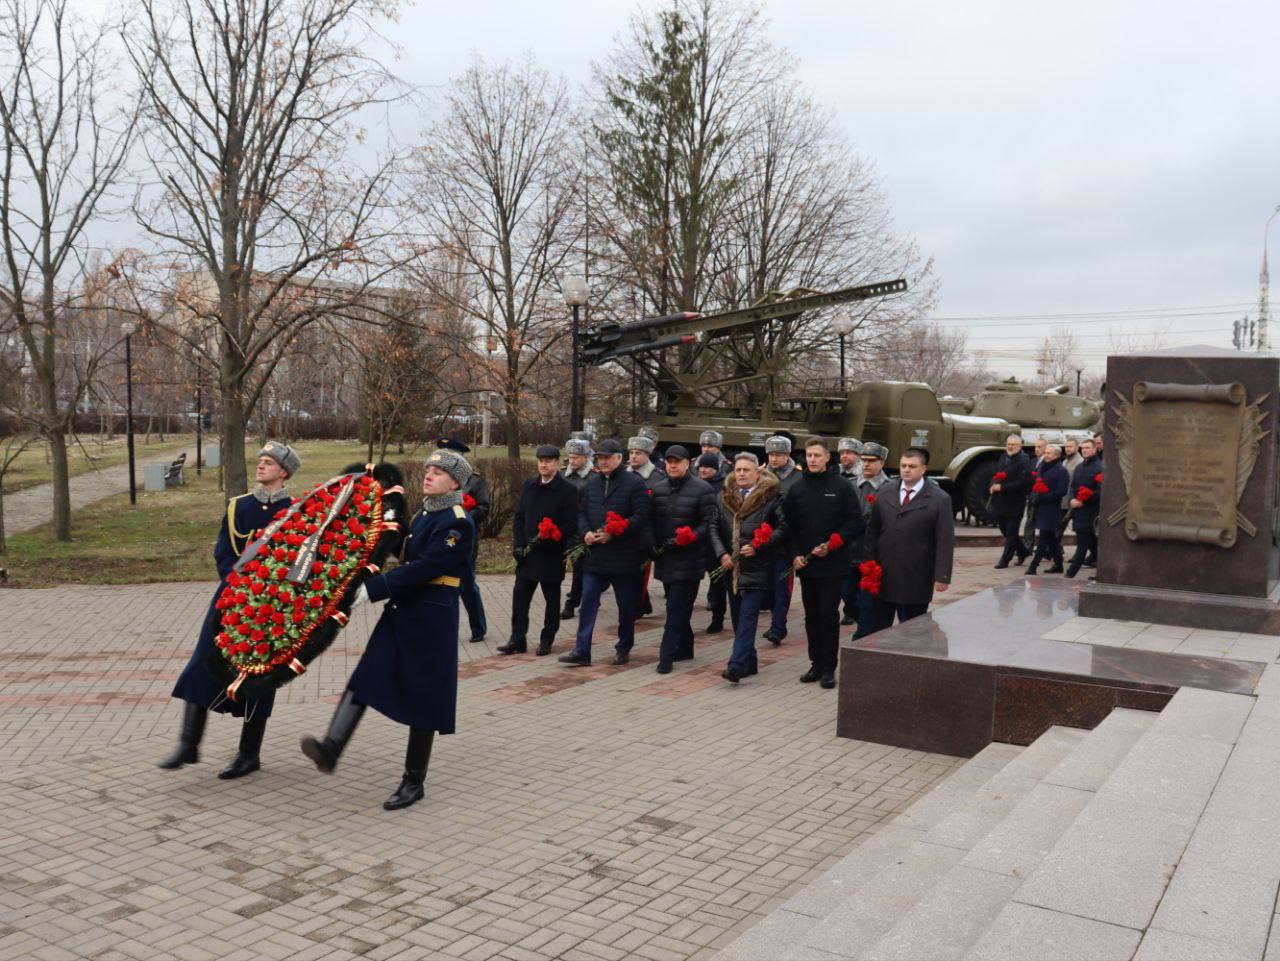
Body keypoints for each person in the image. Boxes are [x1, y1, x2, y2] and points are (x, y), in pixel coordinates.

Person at [300, 448, 474, 810]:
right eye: (428, 469)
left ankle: (414, 781)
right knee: (367, 675)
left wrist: (374, 588)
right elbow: (402, 551)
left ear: (455, 482)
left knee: (425, 697)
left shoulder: (457, 521)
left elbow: (427, 566)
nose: (428, 475)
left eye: (439, 472)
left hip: (431, 618)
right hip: (403, 610)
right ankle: (331, 748)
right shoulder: (427, 512)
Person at [160, 442, 299, 779]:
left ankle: (249, 754)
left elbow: (301, 561)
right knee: (201, 664)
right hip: (231, 600)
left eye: (269, 463)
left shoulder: (298, 512)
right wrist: (236, 584)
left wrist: (274, 593)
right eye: (260, 461)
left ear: (284, 472)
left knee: (259, 678)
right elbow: (223, 552)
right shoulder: (238, 507)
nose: (261, 466)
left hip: (270, 610)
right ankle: (189, 743)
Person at [559, 439, 652, 667]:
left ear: (619, 458)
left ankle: (623, 647)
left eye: (607, 457)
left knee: (625, 606)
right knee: (588, 601)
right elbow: (581, 513)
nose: (603, 461)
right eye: (600, 457)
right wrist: (586, 533)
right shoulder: (592, 483)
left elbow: (641, 517)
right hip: (595, 556)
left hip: (623, 557)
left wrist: (615, 532)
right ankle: (582, 650)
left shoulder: (634, 483)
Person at [784, 437, 864, 690]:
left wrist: (833, 544)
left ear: (828, 457)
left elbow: (855, 522)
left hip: (833, 563)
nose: (812, 460)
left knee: (828, 614)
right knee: (811, 616)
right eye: (809, 455)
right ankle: (815, 663)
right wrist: (795, 554)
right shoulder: (797, 488)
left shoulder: (841, 486)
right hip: (807, 565)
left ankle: (829, 667)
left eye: (817, 455)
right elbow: (789, 526)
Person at [710, 452, 785, 683]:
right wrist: (722, 553)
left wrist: (758, 546)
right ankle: (750, 662)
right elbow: (713, 526)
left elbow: (783, 528)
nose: (741, 474)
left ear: (757, 473)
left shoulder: (771, 498)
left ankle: (736, 665)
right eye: (738, 470)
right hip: (730, 569)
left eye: (746, 470)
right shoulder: (724, 497)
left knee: (747, 619)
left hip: (757, 569)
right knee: (737, 620)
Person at [498, 445, 579, 656]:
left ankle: (547, 639)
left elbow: (570, 524)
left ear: (557, 463)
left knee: (551, 600)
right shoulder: (529, 486)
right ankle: (517, 639)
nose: (544, 464)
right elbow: (519, 517)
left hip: (551, 554)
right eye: (541, 460)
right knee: (520, 599)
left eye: (549, 460)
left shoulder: (568, 490)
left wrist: (549, 537)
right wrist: (518, 545)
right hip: (528, 553)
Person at [865, 446, 955, 631]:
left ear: (923, 469)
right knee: (878, 630)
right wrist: (868, 563)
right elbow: (873, 530)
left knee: (913, 631)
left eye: (912, 466)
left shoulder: (939, 499)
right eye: (903, 465)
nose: (906, 470)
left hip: (916, 576)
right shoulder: (885, 492)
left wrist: (942, 575)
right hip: (884, 573)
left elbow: (945, 539)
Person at [651, 446, 717, 673]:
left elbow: (710, 523)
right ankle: (685, 648)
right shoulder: (658, 489)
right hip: (666, 559)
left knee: (675, 610)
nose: (672, 465)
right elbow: (652, 522)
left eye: (677, 461)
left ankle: (665, 657)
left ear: (688, 463)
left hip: (690, 560)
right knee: (676, 606)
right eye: (669, 461)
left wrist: (690, 537)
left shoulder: (702, 489)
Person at [436, 437, 489, 643]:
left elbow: (483, 507)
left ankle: (478, 627)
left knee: (467, 584)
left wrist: (463, 515)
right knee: (441, 583)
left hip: (464, 537)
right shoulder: (437, 477)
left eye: (450, 454)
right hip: (440, 537)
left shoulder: (474, 479)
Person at [762, 434, 801, 645]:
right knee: (766, 586)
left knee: (781, 587)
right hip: (762, 540)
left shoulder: (797, 478)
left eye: (778, 454)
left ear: (787, 455)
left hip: (786, 542)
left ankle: (778, 627)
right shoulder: (761, 474)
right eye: (770, 454)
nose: (774, 459)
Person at [852, 443, 890, 639]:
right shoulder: (850, 484)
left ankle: (864, 635)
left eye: (871, 461)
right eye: (863, 460)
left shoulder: (889, 489)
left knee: (868, 601)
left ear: (881, 462)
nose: (865, 464)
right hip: (850, 553)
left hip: (874, 556)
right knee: (850, 599)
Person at [627, 435, 666, 619]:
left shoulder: (657, 478)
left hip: (645, 534)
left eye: (638, 453)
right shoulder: (623, 474)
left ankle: (636, 606)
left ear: (647, 455)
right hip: (623, 532)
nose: (633, 456)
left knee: (640, 574)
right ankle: (642, 603)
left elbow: (661, 508)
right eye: (631, 452)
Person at [559, 437, 593, 620]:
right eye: (570, 457)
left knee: (579, 568)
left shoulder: (593, 477)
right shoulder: (563, 474)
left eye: (576, 458)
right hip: (563, 528)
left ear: (586, 457)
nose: (571, 461)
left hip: (582, 530)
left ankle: (572, 603)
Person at [696, 453, 729, 633]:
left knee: (718, 583)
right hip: (697, 541)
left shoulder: (723, 487)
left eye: (708, 467)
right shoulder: (694, 483)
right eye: (701, 466)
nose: (703, 469)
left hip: (715, 542)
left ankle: (718, 618)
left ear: (716, 469)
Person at [990, 434, 1033, 569]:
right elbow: (996, 474)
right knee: (1004, 530)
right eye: (1008, 444)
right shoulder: (1003, 457)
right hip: (1000, 502)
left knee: (1011, 533)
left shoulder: (1024, 461)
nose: (1010, 446)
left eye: (1013, 444)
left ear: (1020, 446)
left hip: (1015, 502)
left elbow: (1023, 483)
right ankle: (1023, 551)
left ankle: (1005, 560)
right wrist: (993, 485)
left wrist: (1002, 487)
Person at [1026, 443, 1068, 574]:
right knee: (1051, 539)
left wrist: (1043, 497)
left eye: (1049, 453)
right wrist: (1034, 497)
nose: (1046, 455)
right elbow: (1037, 483)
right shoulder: (1042, 466)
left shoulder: (1061, 471)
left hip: (1052, 509)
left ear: (1056, 455)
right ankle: (1059, 565)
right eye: (1046, 452)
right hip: (1040, 506)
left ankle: (1033, 566)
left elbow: (1061, 491)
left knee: (1043, 538)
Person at [1066, 437, 1103, 578]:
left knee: (1082, 544)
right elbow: (1073, 486)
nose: (1085, 450)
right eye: (1083, 448)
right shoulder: (1079, 467)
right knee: (1092, 544)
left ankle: (1070, 573)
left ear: (1094, 449)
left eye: (1088, 448)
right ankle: (1104, 571)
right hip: (1077, 510)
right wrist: (1072, 500)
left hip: (1090, 512)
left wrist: (1084, 501)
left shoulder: (1099, 467)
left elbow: (1101, 491)